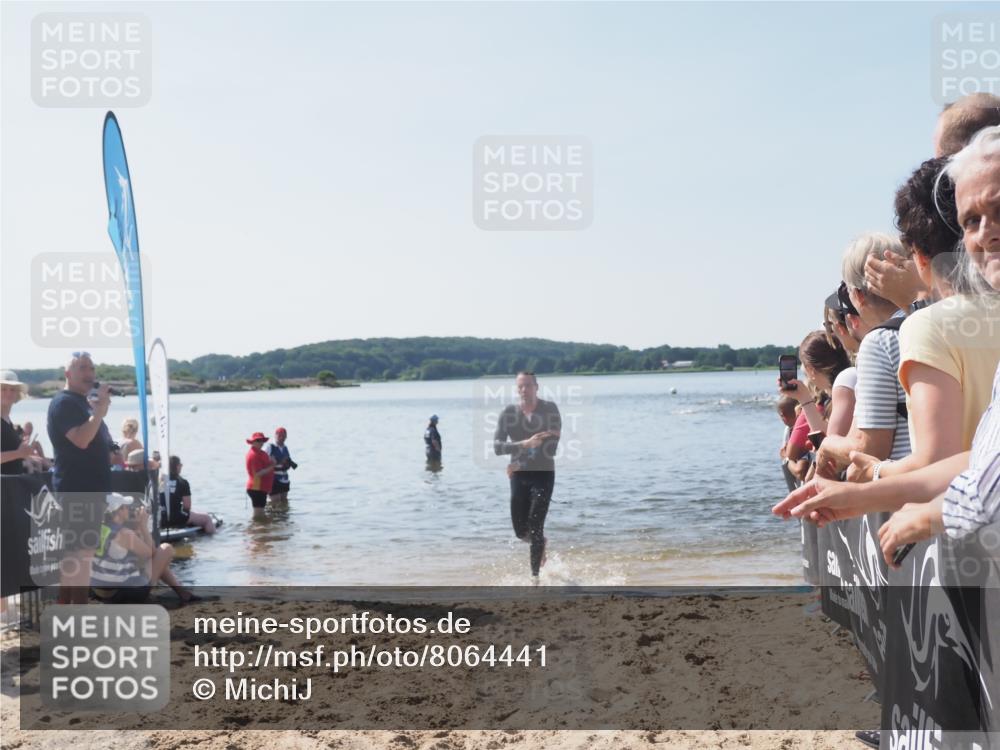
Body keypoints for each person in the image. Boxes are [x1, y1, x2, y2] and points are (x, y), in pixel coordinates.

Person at [774, 124, 1000, 564]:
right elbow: (986, 462)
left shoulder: (918, 329)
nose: (986, 233)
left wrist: (890, 491)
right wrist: (862, 495)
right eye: (972, 219)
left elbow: (944, 462)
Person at [813, 234, 912, 478]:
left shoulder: (880, 342)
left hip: (904, 493)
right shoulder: (934, 323)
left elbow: (870, 448)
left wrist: (827, 446)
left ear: (855, 295)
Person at [47, 352, 114, 604]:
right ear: (68, 374)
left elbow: (96, 438)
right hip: (77, 488)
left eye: (92, 368)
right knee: (80, 556)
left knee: (77, 555)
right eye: (82, 368)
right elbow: (81, 439)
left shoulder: (83, 402)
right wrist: (98, 413)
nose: (89, 373)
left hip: (91, 487)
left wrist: (100, 412)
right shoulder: (64, 403)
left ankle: (65, 612)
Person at [493, 372, 561, 580]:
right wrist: (525, 444)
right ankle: (540, 543)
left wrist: (518, 460)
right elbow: (497, 447)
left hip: (543, 473)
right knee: (520, 531)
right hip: (519, 476)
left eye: (528, 386)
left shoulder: (549, 409)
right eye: (520, 386)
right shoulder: (508, 413)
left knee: (536, 524)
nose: (524, 390)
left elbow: (551, 447)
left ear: (536, 387)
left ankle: (535, 578)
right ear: (517, 388)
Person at [91, 493, 197, 604]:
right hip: (119, 594)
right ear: (119, 511)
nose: (129, 510)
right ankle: (182, 593)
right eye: (126, 507)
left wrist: (138, 529)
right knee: (166, 549)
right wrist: (143, 526)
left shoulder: (100, 528)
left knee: (155, 561)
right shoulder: (124, 533)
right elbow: (151, 553)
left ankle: (182, 593)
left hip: (99, 590)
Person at [160, 456, 216, 534]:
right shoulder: (182, 482)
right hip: (176, 517)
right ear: (178, 466)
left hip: (160, 518)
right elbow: (187, 506)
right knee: (207, 518)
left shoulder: (157, 482)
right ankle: (213, 540)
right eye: (180, 465)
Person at [1, 371, 32, 475]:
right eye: (3, 389)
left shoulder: (7, 421)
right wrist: (19, 453)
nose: (8, 393)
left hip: (12, 484)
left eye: (13, 389)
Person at [245, 431, 275, 517]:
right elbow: (258, 474)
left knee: (261, 515)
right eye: (258, 440)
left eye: (262, 440)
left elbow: (267, 463)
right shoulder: (253, 455)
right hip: (256, 488)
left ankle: (259, 529)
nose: (261, 442)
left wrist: (272, 462)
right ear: (253, 442)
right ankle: (255, 529)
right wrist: (272, 466)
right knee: (258, 515)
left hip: (262, 488)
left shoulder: (261, 452)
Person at [266, 427, 296, 503]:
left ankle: (283, 515)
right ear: (275, 435)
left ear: (286, 437)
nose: (282, 438)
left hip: (285, 479)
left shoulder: (285, 448)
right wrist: (278, 462)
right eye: (280, 436)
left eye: (284, 436)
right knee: (275, 502)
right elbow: (263, 461)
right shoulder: (270, 447)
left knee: (284, 503)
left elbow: (288, 464)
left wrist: (287, 464)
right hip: (273, 479)